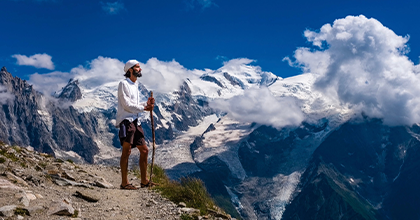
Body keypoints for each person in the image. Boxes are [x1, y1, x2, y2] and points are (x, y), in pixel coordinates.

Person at [116, 59, 155, 190]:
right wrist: (144, 108)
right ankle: (124, 182)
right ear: (130, 70)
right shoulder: (123, 84)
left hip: (136, 121)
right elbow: (126, 105)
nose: (140, 69)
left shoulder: (135, 84)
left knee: (144, 150)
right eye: (138, 67)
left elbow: (135, 105)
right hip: (126, 121)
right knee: (126, 151)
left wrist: (147, 105)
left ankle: (144, 181)